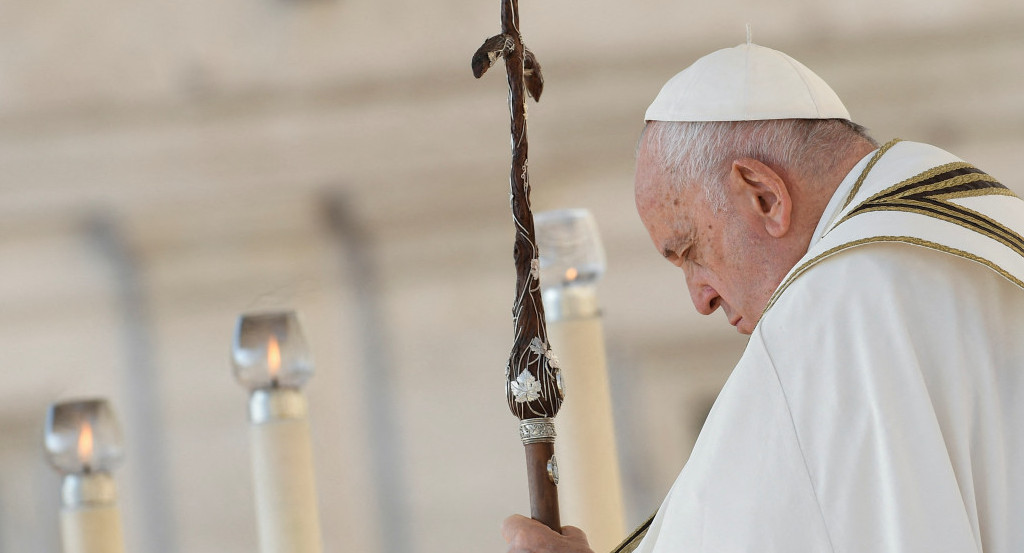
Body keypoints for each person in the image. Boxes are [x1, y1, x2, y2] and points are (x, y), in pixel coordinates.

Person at [503, 42, 1024, 553]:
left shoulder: (837, 306)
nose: (700, 299)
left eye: (690, 251)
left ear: (764, 195)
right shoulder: (983, 232)